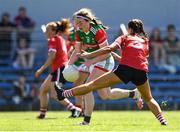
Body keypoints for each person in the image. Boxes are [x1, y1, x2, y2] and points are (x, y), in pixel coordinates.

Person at [57, 19, 168, 125]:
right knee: (149, 98)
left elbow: (109, 48)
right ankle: (162, 120)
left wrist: (90, 55)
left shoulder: (124, 37)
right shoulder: (145, 41)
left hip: (124, 70)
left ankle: (63, 94)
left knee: (91, 85)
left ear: (129, 29)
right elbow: (136, 57)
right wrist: (119, 57)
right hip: (141, 71)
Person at [61, 8, 143, 125]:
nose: (78, 25)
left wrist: (90, 61)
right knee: (106, 95)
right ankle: (133, 93)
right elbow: (77, 51)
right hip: (94, 62)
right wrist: (69, 65)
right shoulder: (79, 32)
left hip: (105, 61)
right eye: (76, 22)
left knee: (87, 87)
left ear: (88, 21)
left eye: (80, 22)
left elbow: (106, 53)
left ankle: (86, 121)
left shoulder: (97, 31)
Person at [35, 18, 81, 119]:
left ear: (53, 31)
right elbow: (69, 50)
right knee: (43, 90)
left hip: (59, 68)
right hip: (59, 68)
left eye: (47, 30)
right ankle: (42, 113)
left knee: (55, 94)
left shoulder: (53, 40)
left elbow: (52, 57)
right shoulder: (61, 39)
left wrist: (41, 69)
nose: (46, 32)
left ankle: (74, 109)